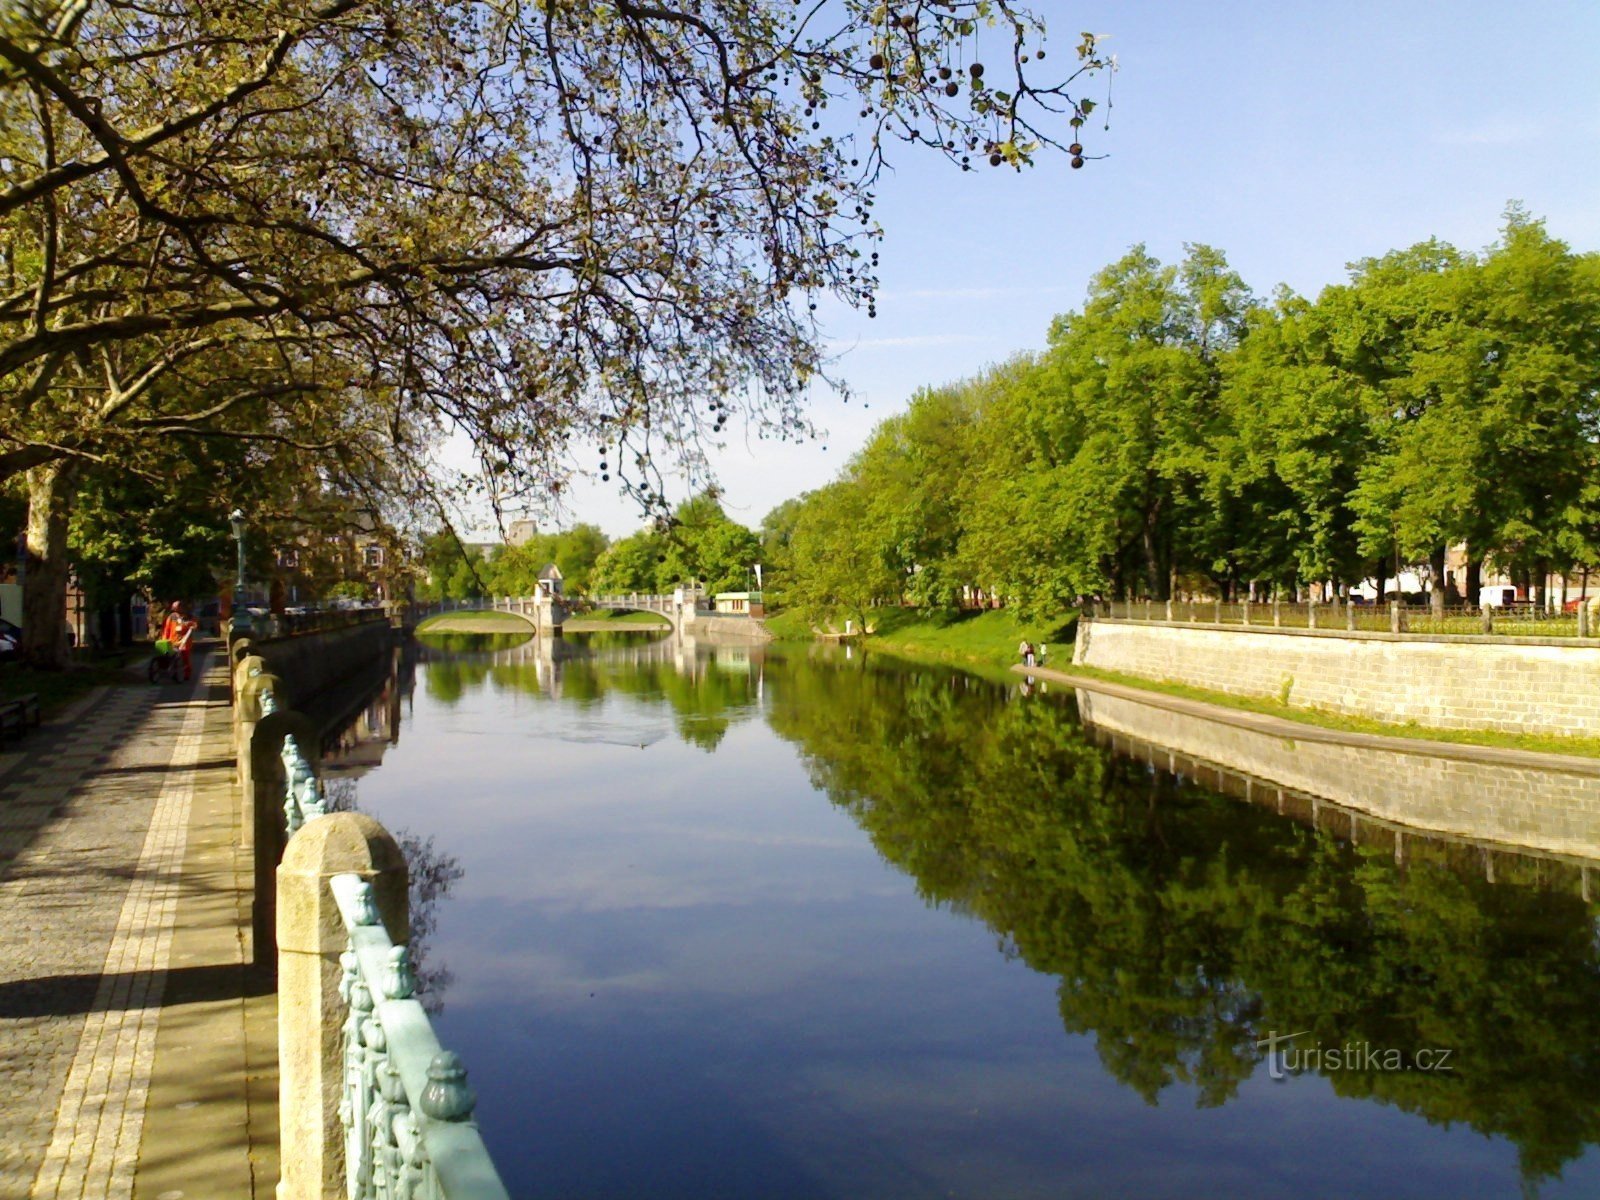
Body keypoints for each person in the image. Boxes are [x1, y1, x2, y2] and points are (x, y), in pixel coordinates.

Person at [159, 600, 197, 682]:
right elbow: (167, 629)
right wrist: (164, 639)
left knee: (185, 658)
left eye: (178, 608)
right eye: (175, 608)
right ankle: (172, 671)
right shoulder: (172, 617)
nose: (176, 610)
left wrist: (191, 625)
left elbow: (194, 625)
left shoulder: (188, 616)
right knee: (171, 657)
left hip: (185, 641)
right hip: (173, 640)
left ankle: (187, 674)